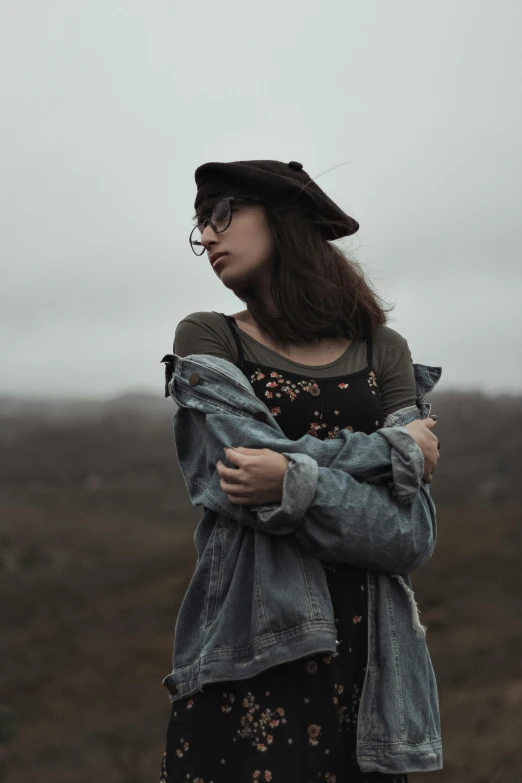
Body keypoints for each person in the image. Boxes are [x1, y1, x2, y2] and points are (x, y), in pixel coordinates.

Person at [160, 159, 440, 783]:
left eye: (222, 214)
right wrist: (390, 452)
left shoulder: (382, 350)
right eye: (200, 224)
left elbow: (411, 534)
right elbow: (239, 478)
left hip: (372, 678)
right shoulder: (209, 338)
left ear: (284, 220)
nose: (206, 236)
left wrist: (287, 476)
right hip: (247, 658)